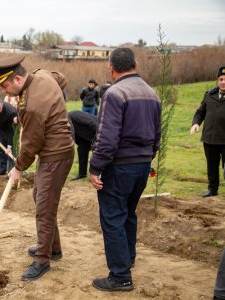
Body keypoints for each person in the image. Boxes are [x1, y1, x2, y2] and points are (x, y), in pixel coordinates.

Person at [0, 54, 74, 281]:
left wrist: (19, 167)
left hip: (55, 154)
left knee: (44, 207)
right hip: (55, 152)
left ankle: (42, 260)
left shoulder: (31, 106)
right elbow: (60, 78)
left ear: (18, 80)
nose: (5, 93)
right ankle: (54, 248)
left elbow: (31, 142)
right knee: (41, 197)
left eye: (5, 86)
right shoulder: (42, 75)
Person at [89, 47, 161, 292]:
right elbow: (157, 135)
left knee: (113, 218)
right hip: (141, 165)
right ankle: (128, 257)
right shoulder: (152, 93)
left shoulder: (115, 93)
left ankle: (120, 276)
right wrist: (147, 158)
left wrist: (95, 167)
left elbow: (106, 138)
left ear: (111, 68)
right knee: (128, 213)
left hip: (119, 166)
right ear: (135, 65)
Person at [190, 66, 225, 197]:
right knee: (212, 166)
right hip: (210, 138)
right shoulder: (209, 96)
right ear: (217, 81)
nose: (223, 82)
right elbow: (200, 112)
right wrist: (195, 123)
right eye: (221, 79)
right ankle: (212, 189)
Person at [68, 110, 97, 181]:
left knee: (97, 153)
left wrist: (100, 135)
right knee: (81, 150)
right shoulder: (65, 121)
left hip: (97, 131)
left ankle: (98, 174)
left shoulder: (74, 115)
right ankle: (82, 173)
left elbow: (91, 122)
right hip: (84, 138)